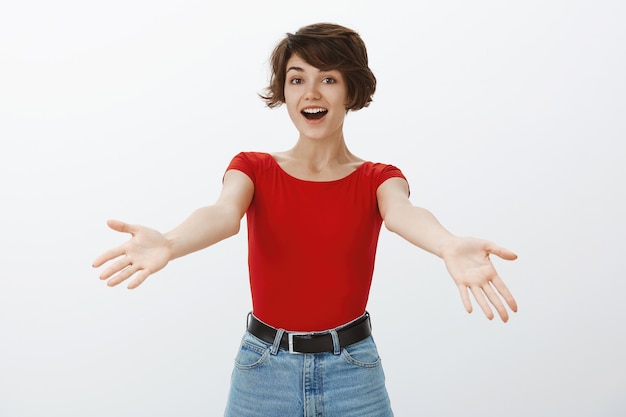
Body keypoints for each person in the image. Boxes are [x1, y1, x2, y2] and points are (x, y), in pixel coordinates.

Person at [92, 22, 518, 417]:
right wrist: (169, 242)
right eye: (297, 80)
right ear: (284, 92)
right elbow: (222, 214)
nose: (311, 93)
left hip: (354, 370)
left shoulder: (377, 179)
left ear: (350, 92)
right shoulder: (253, 168)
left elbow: (403, 213)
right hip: (262, 370)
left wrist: (447, 244)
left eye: (328, 79)